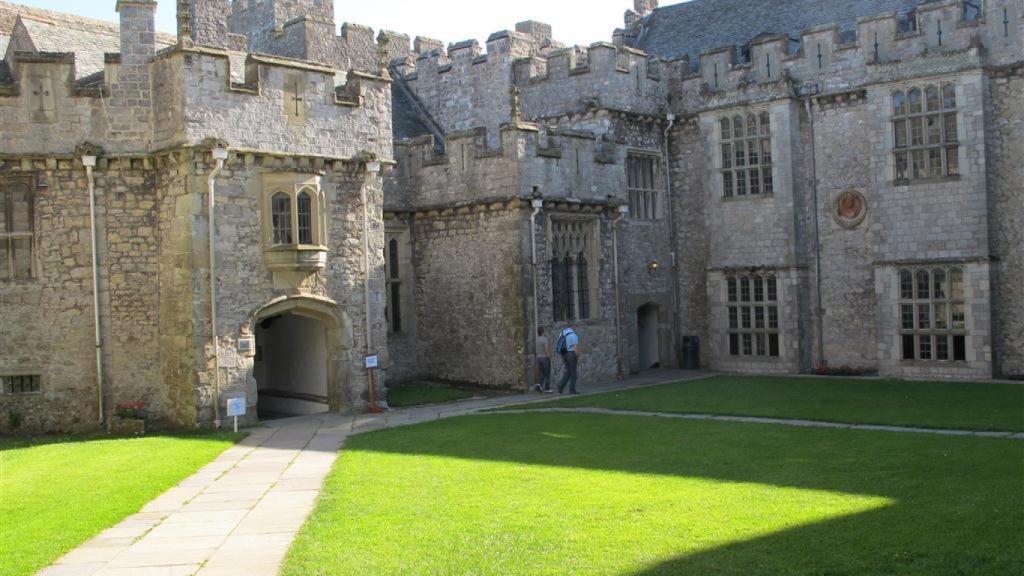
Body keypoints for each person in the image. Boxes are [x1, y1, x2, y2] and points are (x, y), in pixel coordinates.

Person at [557, 323, 581, 395]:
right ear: (572, 326)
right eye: (575, 326)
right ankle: (572, 390)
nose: (576, 327)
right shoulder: (573, 335)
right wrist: (577, 356)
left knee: (568, 371)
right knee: (573, 373)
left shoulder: (562, 333)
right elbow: (575, 348)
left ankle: (561, 385)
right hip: (571, 354)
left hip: (564, 354)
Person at [535, 327, 553, 393]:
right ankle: (547, 388)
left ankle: (539, 385)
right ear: (542, 332)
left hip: (539, 358)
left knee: (542, 373)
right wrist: (549, 356)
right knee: (547, 373)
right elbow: (546, 349)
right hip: (545, 358)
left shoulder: (536, 339)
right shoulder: (544, 339)